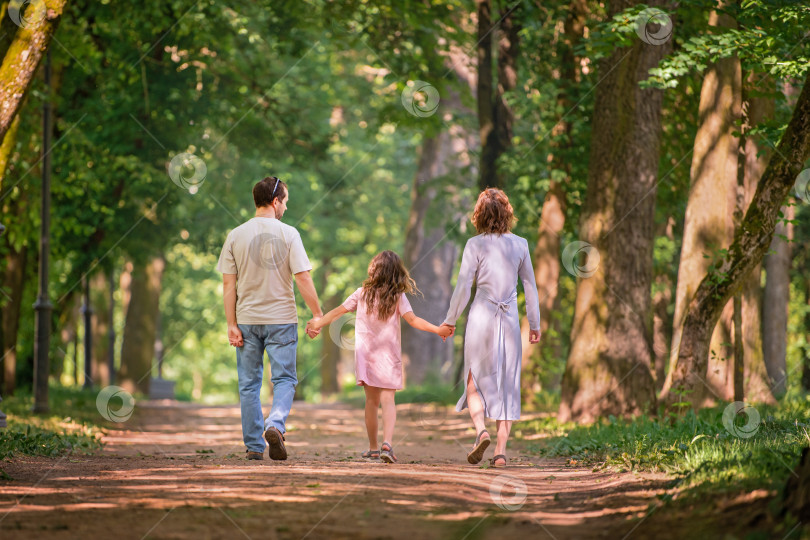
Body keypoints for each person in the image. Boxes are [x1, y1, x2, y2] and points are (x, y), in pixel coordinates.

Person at [307, 250, 453, 463]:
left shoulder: (361, 293)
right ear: (396, 273)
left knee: (371, 403)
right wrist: (438, 330)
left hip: (366, 356)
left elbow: (337, 311)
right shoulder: (398, 296)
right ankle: (387, 443)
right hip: (389, 356)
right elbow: (413, 320)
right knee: (388, 400)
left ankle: (374, 448)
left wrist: (317, 324)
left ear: (374, 270)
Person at [217, 176, 324, 461]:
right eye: (285, 202)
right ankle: (275, 423)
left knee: (249, 384)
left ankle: (254, 446)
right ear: (276, 201)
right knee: (285, 379)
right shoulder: (289, 234)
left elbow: (229, 285)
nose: (286, 208)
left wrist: (231, 324)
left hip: (247, 320)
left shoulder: (235, 235)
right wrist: (317, 314)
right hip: (282, 319)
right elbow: (302, 277)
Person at [439, 188, 541, 468]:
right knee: (508, 383)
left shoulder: (475, 245)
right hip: (508, 321)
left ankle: (480, 430)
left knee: (473, 380)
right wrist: (534, 323)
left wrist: (450, 320)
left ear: (479, 215)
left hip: (481, 317)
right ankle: (500, 452)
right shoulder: (520, 244)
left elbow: (463, 286)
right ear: (508, 213)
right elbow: (530, 286)